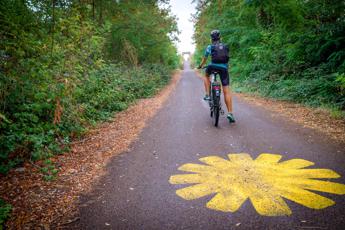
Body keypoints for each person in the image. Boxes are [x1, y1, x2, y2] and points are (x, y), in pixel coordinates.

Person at [197, 30, 235, 123]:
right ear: (220, 38)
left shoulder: (210, 47)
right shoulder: (225, 46)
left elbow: (204, 59)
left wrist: (200, 66)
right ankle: (230, 113)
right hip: (224, 69)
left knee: (206, 75)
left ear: (211, 39)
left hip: (212, 67)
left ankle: (207, 95)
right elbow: (227, 59)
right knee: (226, 91)